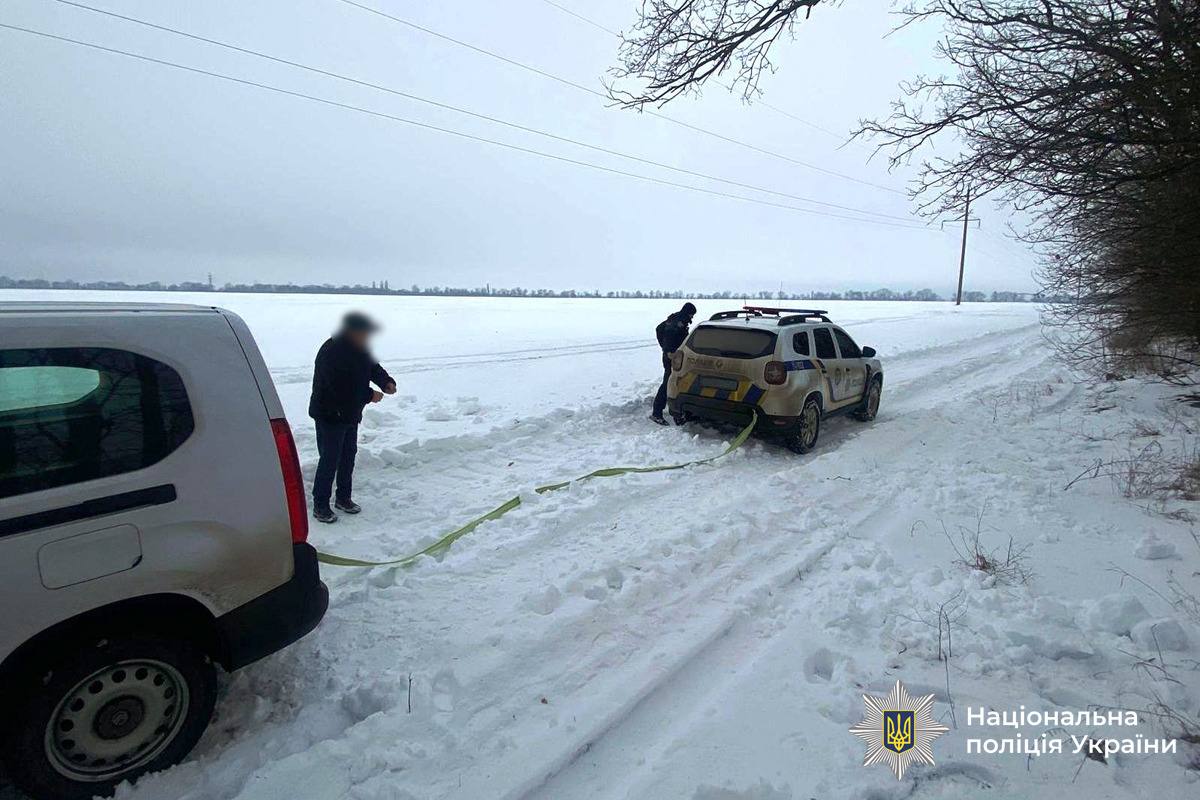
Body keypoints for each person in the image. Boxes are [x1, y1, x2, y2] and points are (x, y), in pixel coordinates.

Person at [308, 311, 396, 523]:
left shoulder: (359, 349)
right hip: (329, 414)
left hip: (349, 414)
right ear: (352, 332)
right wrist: (370, 395)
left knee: (348, 457)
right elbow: (341, 388)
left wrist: (385, 382)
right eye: (364, 333)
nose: (367, 337)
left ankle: (343, 499)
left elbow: (372, 367)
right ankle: (320, 505)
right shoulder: (332, 352)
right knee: (330, 460)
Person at [651, 302, 697, 425]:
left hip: (676, 357)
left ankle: (677, 413)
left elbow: (659, 329)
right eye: (692, 315)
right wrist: (668, 351)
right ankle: (656, 413)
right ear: (688, 312)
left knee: (675, 382)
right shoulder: (678, 322)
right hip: (671, 357)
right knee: (668, 382)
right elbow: (666, 334)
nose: (692, 317)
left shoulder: (675, 318)